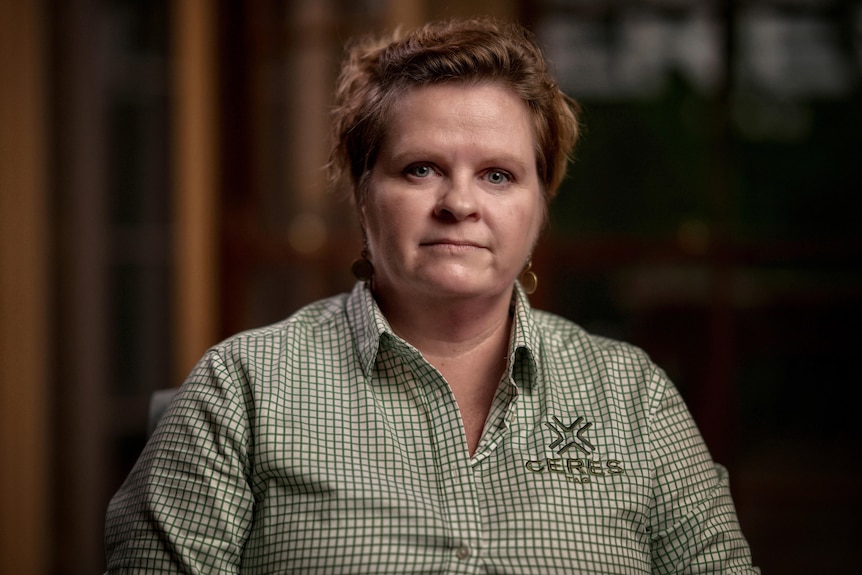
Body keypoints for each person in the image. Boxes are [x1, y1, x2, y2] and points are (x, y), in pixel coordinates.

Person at [104, 17, 759, 574]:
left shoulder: (633, 397)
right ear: (362, 193)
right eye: (421, 169)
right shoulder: (239, 390)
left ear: (540, 205)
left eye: (498, 175)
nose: (460, 204)